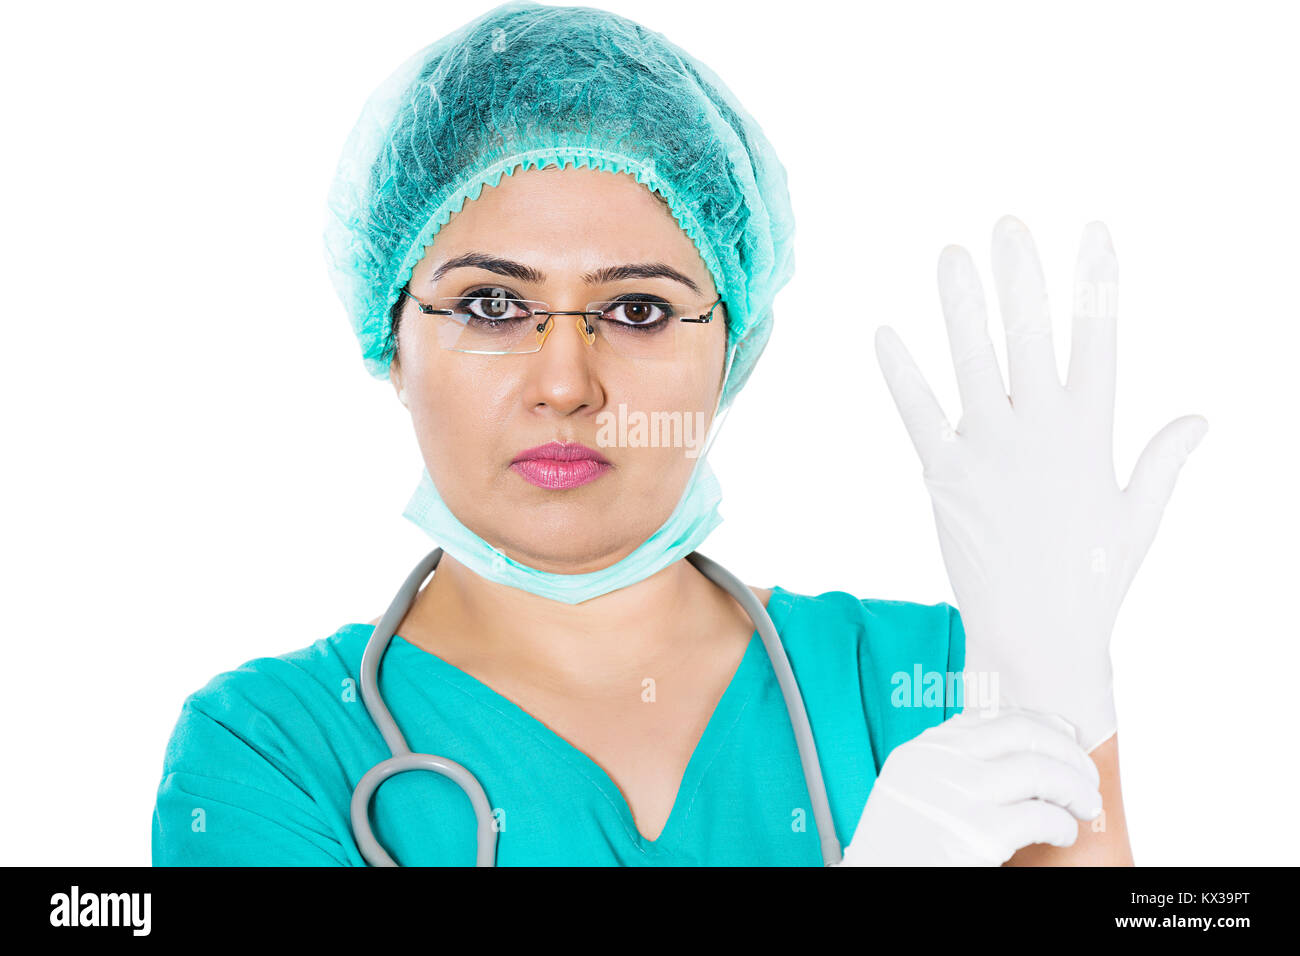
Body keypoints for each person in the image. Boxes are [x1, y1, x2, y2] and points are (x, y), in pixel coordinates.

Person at [151, 0, 1203, 866]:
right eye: (488, 306)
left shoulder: (933, 674)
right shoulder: (273, 749)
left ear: (732, 349)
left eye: (639, 310)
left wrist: (1063, 688)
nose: (564, 382)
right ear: (391, 340)